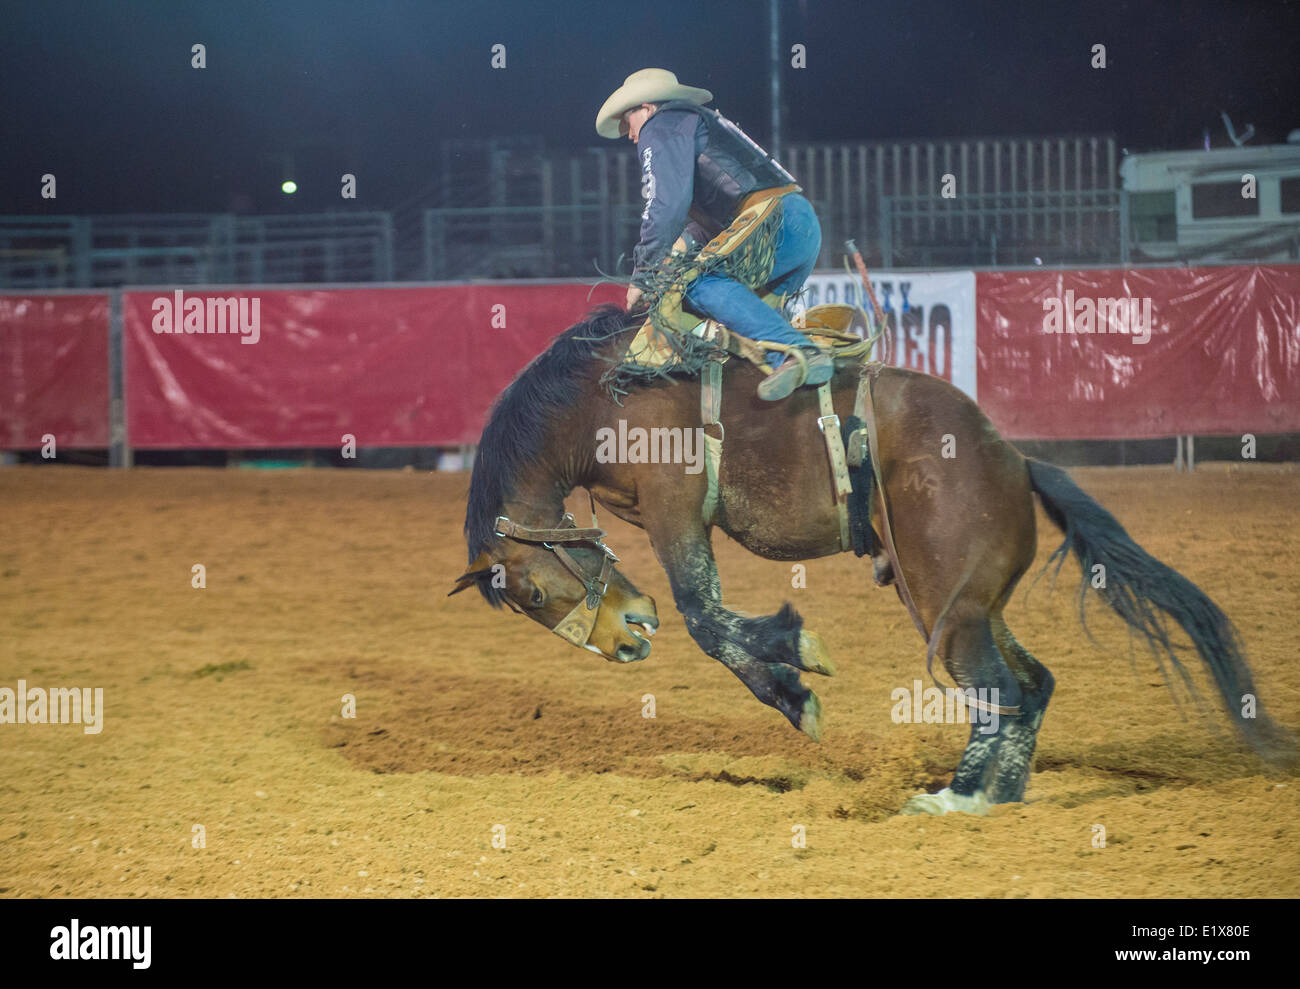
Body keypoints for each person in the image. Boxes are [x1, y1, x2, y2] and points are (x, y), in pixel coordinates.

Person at [596, 68, 831, 401]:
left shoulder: (661, 125)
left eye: (628, 122)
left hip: (771, 227)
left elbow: (664, 205)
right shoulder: (698, 123)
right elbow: (708, 214)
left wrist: (646, 274)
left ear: (646, 108)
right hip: (799, 225)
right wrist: (677, 248)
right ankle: (793, 368)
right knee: (753, 338)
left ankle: (797, 351)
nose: (630, 134)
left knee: (690, 284)